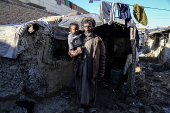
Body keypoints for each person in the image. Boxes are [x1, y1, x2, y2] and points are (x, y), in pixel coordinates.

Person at [69, 17, 106, 113]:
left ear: (93, 27)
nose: (87, 28)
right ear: (83, 27)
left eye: (89, 26)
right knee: (80, 87)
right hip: (80, 67)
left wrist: (101, 73)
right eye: (85, 26)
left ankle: (91, 106)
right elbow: (70, 53)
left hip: (92, 68)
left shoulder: (98, 40)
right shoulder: (78, 37)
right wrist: (77, 52)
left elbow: (102, 57)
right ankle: (81, 106)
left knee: (91, 87)